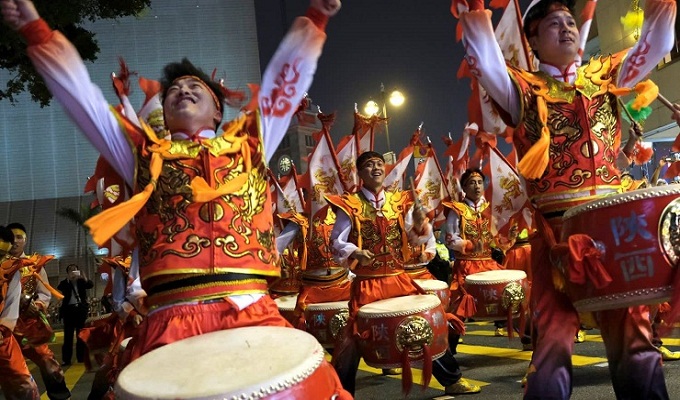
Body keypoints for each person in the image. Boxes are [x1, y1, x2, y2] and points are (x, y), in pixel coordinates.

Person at [1, 2, 348, 393]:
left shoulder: (251, 145)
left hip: (253, 310)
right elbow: (85, 102)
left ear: (217, 109)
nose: (182, 91)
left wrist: (316, 18)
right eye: (173, 91)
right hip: (170, 319)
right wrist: (37, 32)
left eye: (194, 87)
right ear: (164, 112)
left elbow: (284, 86)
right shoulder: (141, 156)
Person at [454, 0, 676, 397]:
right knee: (553, 346)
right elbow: (486, 63)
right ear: (534, 42)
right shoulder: (520, 87)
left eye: (570, 21)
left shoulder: (607, 74)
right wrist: (475, 15)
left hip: (615, 233)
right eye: (553, 24)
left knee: (637, 345)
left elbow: (657, 44)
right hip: (557, 236)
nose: (566, 28)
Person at [328, 151, 479, 396]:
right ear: (360, 173)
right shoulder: (350, 204)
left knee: (425, 322)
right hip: (368, 282)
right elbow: (335, 242)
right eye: (369, 165)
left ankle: (452, 379)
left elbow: (416, 237)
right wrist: (355, 252)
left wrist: (420, 224)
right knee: (353, 337)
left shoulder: (399, 201)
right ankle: (342, 393)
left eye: (379, 164)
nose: (376, 168)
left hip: (399, 278)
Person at [443, 168, 517, 337]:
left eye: (479, 182)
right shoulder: (458, 210)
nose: (476, 186)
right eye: (471, 183)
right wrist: (468, 245)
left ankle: (526, 336)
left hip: (488, 263)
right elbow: (449, 238)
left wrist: (509, 237)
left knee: (510, 293)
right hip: (466, 266)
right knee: (458, 307)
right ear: (464, 187)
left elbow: (498, 238)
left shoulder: (491, 208)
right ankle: (450, 347)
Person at [7, 222, 71, 400]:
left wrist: (38, 305)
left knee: (47, 360)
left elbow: (44, 293)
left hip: (29, 325)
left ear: (25, 240)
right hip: (6, 327)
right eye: (11, 237)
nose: (15, 241)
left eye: (19, 237)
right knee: (14, 371)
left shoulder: (35, 264)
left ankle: (60, 395)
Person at [0, 225, 41, 400]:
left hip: (4, 334)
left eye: (2, 256)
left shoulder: (12, 270)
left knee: (24, 384)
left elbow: (10, 305)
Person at [57, 264, 94, 366]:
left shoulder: (81, 281)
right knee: (67, 336)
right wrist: (69, 279)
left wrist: (84, 278)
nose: (73, 271)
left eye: (75, 269)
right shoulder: (65, 282)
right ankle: (66, 359)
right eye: (70, 270)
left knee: (80, 335)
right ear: (67, 272)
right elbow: (60, 287)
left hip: (80, 309)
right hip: (68, 310)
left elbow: (90, 285)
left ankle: (81, 357)